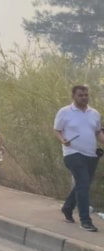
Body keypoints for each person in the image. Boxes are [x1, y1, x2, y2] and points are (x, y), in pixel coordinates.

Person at [54, 85, 104, 232]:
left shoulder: (94, 113)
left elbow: (98, 132)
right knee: (83, 183)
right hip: (72, 153)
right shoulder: (65, 112)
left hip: (91, 154)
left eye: (86, 95)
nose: (84, 97)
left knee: (83, 184)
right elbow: (56, 130)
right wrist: (63, 140)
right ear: (73, 96)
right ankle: (85, 221)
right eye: (80, 95)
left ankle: (67, 207)